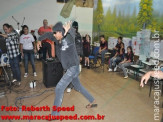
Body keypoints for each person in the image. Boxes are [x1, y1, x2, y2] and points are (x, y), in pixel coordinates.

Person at [37, 21, 97, 117]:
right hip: (70, 68)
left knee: (59, 88)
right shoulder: (57, 39)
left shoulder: (69, 37)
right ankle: (92, 100)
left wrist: (67, 31)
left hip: (73, 67)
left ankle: (55, 115)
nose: (54, 35)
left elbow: (71, 34)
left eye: (55, 33)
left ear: (60, 32)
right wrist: (39, 39)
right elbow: (48, 34)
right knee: (78, 87)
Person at [66, 21, 83, 93]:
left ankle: (76, 85)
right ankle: (70, 85)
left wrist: (81, 55)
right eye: (74, 27)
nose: (75, 29)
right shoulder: (69, 35)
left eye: (76, 27)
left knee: (76, 72)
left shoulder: (79, 35)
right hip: (71, 55)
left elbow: (80, 46)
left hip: (77, 56)